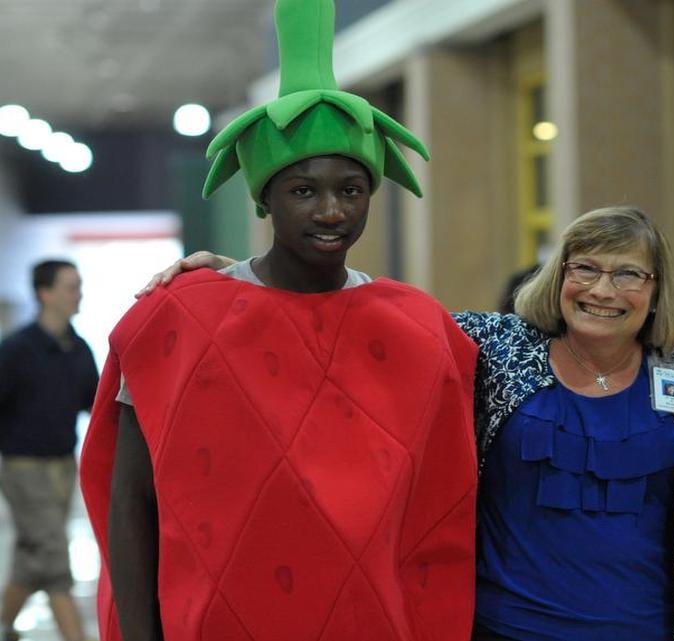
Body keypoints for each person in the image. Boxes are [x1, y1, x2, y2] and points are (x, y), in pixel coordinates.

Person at [146, 202, 674, 641]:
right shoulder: (496, 346)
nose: (603, 289)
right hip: (503, 631)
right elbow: (364, 320)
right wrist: (247, 278)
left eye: (629, 273)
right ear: (560, 274)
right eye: (586, 266)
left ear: (657, 291)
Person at [78, 1, 477, 640]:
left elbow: (444, 508)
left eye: (350, 189)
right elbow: (133, 501)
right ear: (264, 196)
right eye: (303, 190)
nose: (330, 211)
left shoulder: (420, 330)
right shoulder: (176, 321)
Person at [0, 260, 98, 641]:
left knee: (33, 557)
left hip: (61, 466)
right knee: (55, 558)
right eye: (71, 287)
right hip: (24, 468)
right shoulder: (15, 351)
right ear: (45, 294)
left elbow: (95, 403)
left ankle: (5, 627)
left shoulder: (78, 349)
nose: (79, 295)